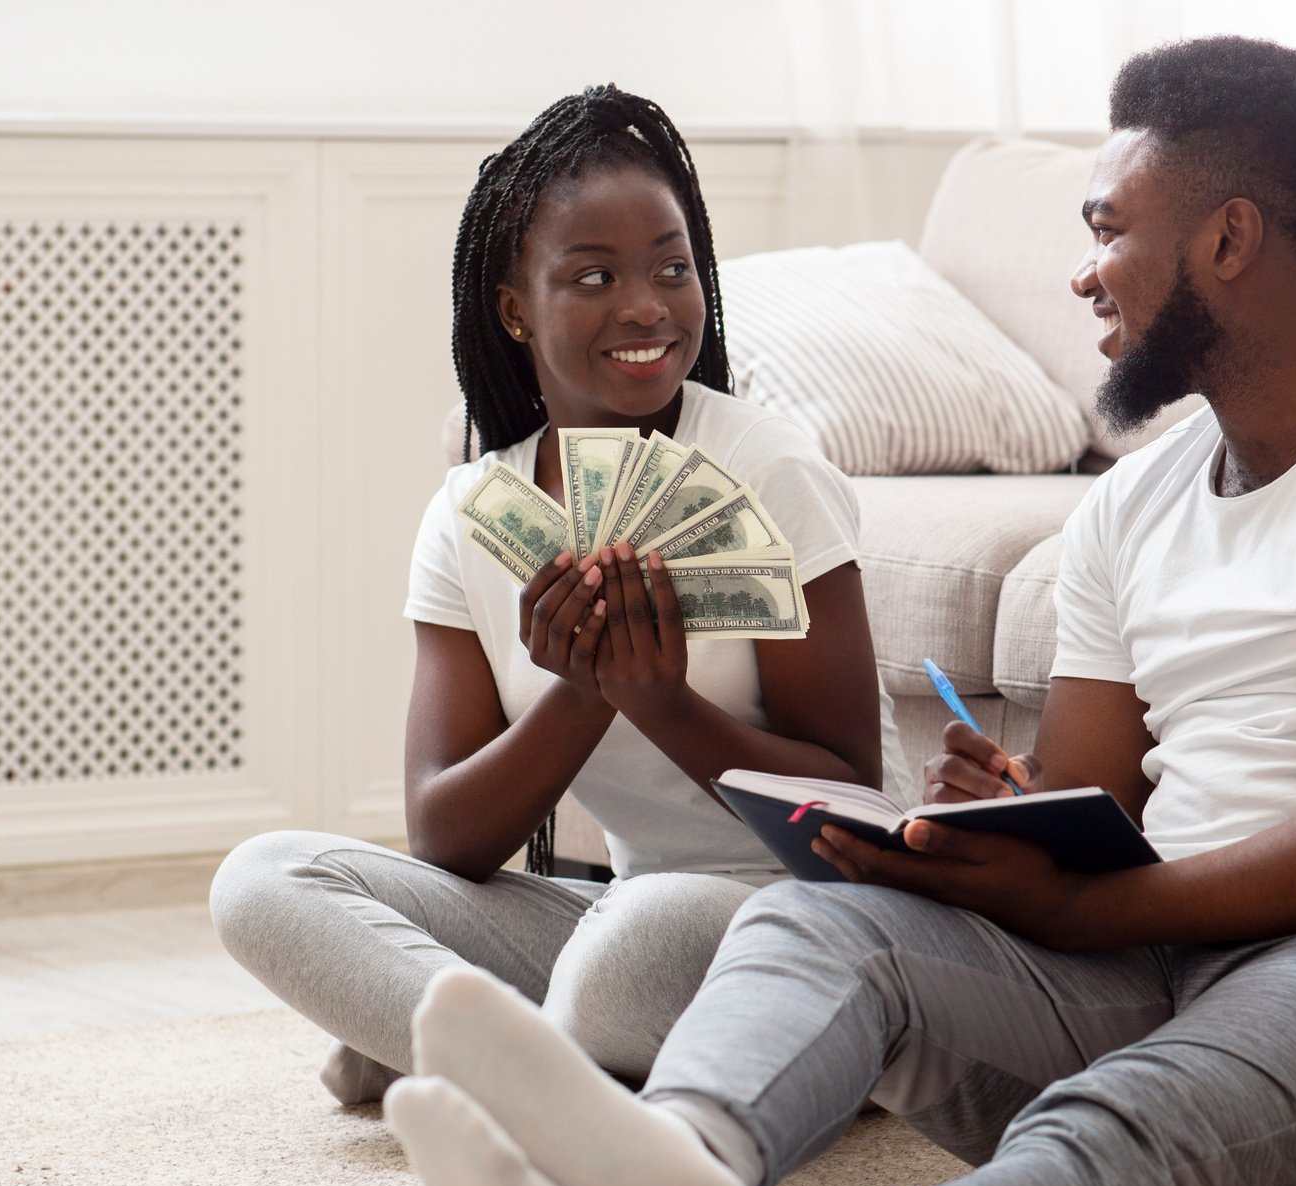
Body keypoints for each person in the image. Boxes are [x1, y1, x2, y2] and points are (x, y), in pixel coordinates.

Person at [381, 35, 1296, 1186]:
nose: (1083, 272)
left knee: (1120, 1127)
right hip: (1160, 960)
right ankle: (673, 1163)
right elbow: (1088, 804)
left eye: (1107, 229)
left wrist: (1088, 906)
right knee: (815, 917)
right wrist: (993, 825)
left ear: (1228, 238)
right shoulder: (1132, 502)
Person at [211, 85, 907, 1104]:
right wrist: (580, 693)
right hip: (625, 912)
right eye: (593, 276)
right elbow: (446, 836)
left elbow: (849, 807)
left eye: (672, 268)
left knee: (623, 957)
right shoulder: (470, 513)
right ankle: (534, 1065)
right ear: (514, 309)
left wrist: (659, 701)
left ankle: (449, 1040)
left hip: (799, 917)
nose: (646, 306)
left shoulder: (769, 471)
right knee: (264, 877)